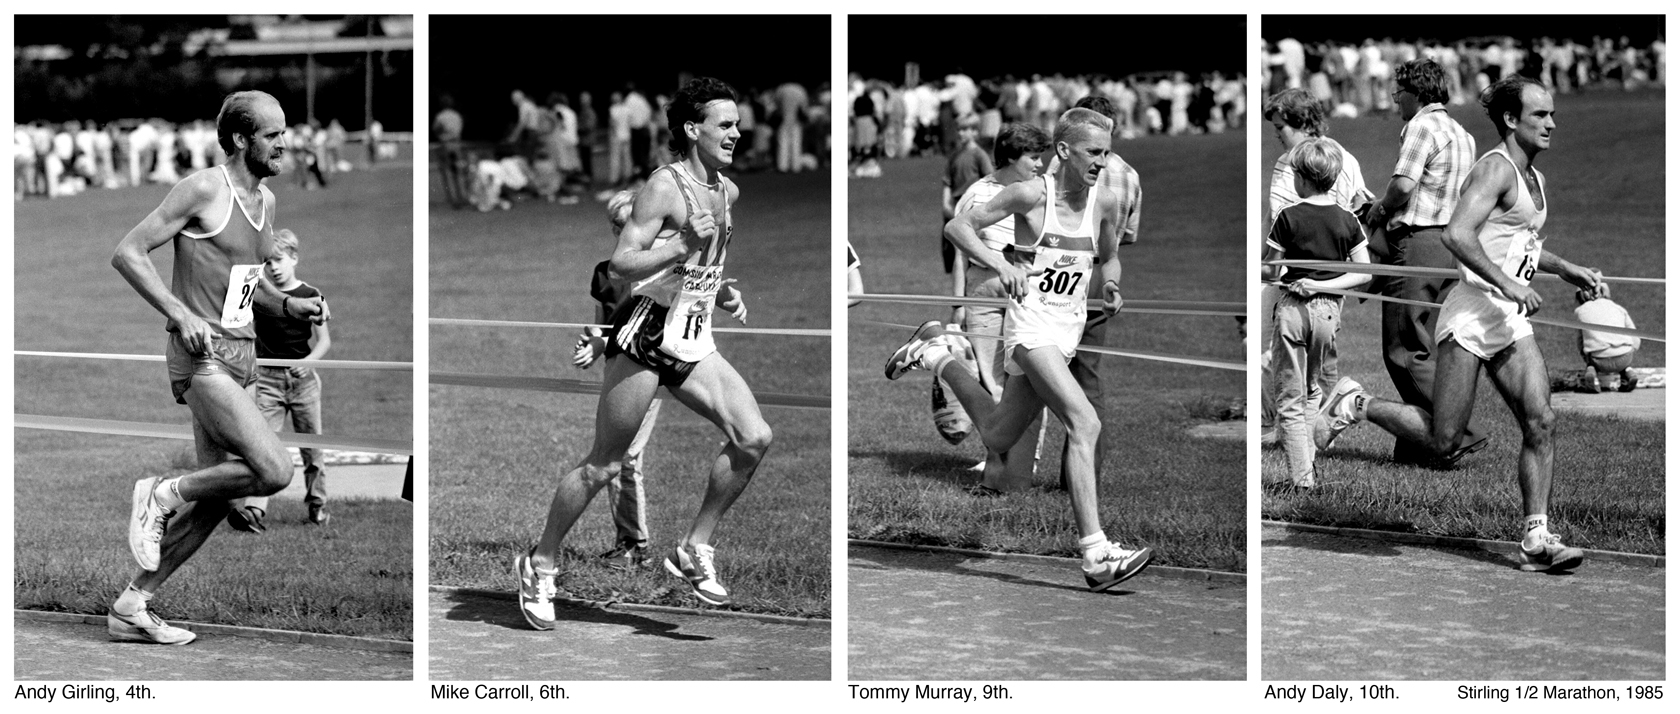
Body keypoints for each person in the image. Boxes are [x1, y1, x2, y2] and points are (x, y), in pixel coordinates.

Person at [516, 77, 768, 629]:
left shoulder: (728, 192)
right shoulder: (664, 186)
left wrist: (719, 289)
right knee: (604, 465)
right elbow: (621, 265)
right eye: (724, 124)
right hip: (649, 334)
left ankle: (692, 548)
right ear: (691, 129)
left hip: (694, 334)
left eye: (736, 124)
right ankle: (540, 563)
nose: (735, 132)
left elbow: (702, 262)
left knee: (754, 438)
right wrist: (679, 243)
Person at [1323, 76, 1601, 573]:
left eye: (1552, 114)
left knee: (1541, 421)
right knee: (1443, 440)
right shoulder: (1493, 169)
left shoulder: (1534, 178)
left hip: (1507, 320)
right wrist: (1508, 286)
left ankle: (1536, 537)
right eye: (1540, 115)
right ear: (1512, 120)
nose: (1552, 123)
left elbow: (1521, 246)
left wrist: (1567, 268)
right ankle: (1355, 402)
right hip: (1472, 312)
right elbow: (1458, 235)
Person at [889, 107, 1152, 592]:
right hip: (1031, 328)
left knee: (996, 433)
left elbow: (1109, 257)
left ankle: (934, 353)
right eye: (1094, 152)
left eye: (1107, 152)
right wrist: (998, 262)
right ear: (1064, 151)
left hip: (1066, 331)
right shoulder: (1031, 194)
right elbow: (957, 229)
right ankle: (1096, 554)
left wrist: (1111, 286)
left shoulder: (1106, 201)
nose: (1102, 161)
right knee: (1084, 421)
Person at [109, 90, 330, 644]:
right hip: (201, 359)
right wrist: (179, 311)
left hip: (242, 357)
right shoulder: (206, 188)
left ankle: (132, 604)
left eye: (284, 133)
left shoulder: (268, 202)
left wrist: (288, 305)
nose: (285, 142)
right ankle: (160, 492)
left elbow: (244, 287)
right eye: (273, 134)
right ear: (240, 139)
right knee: (274, 471)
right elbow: (128, 253)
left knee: (216, 501)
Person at [1363, 59, 1486, 467]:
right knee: (1428, 345)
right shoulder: (1463, 134)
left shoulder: (1421, 126)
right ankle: (1415, 446)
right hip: (1451, 245)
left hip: (1418, 240)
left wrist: (1379, 210)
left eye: (1398, 94)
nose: (1395, 101)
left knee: (1404, 348)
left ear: (1416, 93)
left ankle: (1459, 432)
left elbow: (1402, 185)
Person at [1260, 89, 1374, 446]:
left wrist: (1267, 263)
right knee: (1321, 352)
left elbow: (1279, 217)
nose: (1277, 134)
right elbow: (1360, 205)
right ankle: (1310, 430)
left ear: (1300, 123)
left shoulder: (1291, 162)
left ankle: (1303, 429)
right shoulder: (1346, 157)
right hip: (1336, 276)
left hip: (1292, 278)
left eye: (1280, 127)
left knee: (1286, 353)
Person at [951, 121, 1051, 492]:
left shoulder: (1037, 193)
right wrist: (958, 305)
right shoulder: (978, 195)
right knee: (994, 384)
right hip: (983, 295)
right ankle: (1000, 463)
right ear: (1010, 157)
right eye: (1032, 156)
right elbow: (961, 253)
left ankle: (1026, 462)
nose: (1039, 164)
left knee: (1028, 380)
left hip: (1027, 293)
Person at [572, 190, 660, 569]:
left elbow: (644, 328)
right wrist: (592, 342)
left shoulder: (658, 272)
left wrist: (604, 339)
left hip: (650, 363)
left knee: (625, 455)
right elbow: (603, 324)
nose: (630, 234)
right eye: (621, 226)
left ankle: (634, 546)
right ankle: (630, 543)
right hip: (617, 367)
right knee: (616, 454)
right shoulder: (604, 273)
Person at [228, 228, 335, 529]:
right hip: (268, 382)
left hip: (304, 383)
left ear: (294, 258)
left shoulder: (311, 295)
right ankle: (253, 512)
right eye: (268, 263)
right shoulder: (260, 298)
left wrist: (308, 363)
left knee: (312, 448)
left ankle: (318, 505)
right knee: (264, 447)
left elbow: (324, 341)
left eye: (278, 261)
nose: (273, 268)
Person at [941, 113, 992, 275]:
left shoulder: (980, 155)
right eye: (959, 129)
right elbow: (947, 182)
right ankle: (958, 293)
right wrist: (946, 204)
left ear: (975, 132)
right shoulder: (954, 156)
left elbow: (989, 179)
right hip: (954, 207)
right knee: (950, 251)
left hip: (972, 206)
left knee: (967, 253)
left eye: (965, 129)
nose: (961, 133)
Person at [1573, 291, 1639, 393]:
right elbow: (1634, 334)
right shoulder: (1618, 308)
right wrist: (1633, 349)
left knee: (1590, 352)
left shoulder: (1580, 311)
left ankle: (1592, 373)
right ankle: (1628, 372)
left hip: (1599, 359)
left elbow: (1580, 339)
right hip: (1624, 356)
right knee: (1623, 353)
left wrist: (1584, 354)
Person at [433, 95, 468, 209]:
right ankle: (463, 196)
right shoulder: (457, 116)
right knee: (458, 171)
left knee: (447, 172)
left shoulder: (441, 116)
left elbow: (436, 128)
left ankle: (453, 198)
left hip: (446, 145)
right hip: (457, 145)